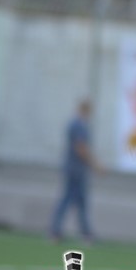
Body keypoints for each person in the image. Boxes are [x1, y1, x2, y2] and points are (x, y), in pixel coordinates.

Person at [50, 100, 102, 244]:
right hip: (76, 170)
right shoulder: (79, 126)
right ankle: (59, 231)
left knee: (79, 202)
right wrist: (96, 165)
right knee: (71, 200)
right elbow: (81, 148)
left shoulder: (75, 124)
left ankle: (81, 232)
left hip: (74, 169)